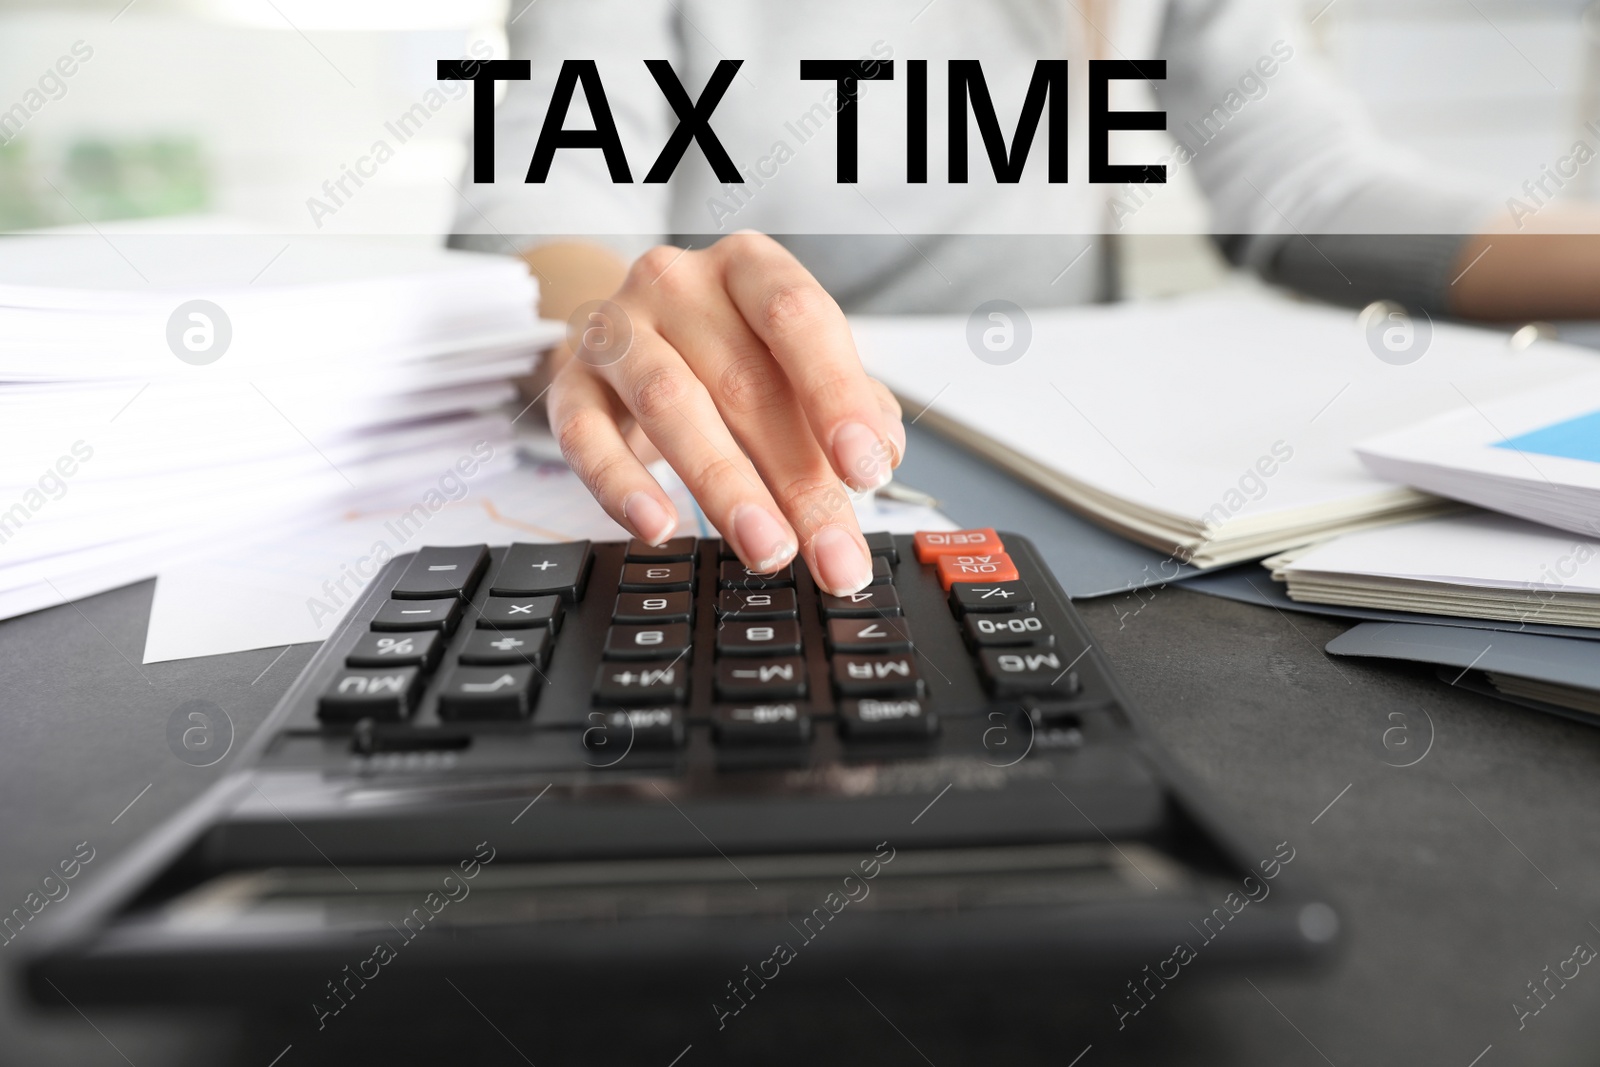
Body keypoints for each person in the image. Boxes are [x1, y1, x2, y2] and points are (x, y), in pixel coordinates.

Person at [452, 0, 1600, 595]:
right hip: (769, 471)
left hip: (1106, 492)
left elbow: (1309, 188)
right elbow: (547, 212)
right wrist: (614, 326)